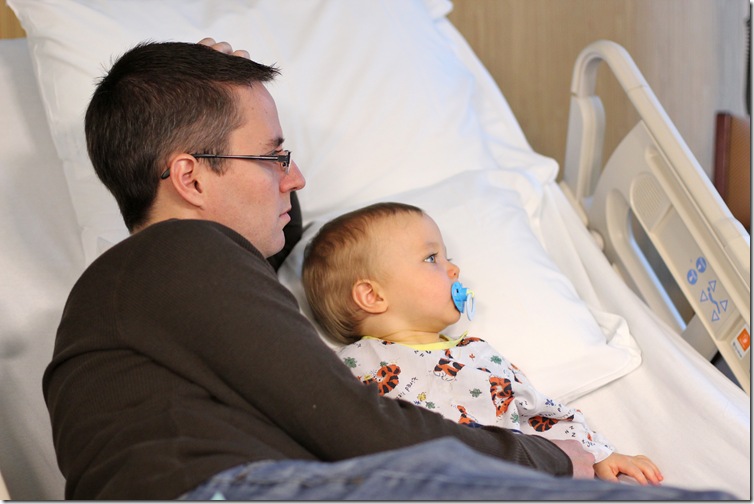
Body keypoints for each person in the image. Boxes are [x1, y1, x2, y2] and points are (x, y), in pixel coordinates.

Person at [42, 38, 733, 500]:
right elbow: (356, 426)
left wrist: (221, 94)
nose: (295, 178)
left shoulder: (161, 284)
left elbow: (280, 240)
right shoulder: (180, 257)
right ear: (190, 178)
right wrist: (557, 459)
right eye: (275, 157)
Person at [302, 201, 664, 486]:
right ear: (372, 296)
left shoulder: (477, 355)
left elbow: (539, 413)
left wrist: (599, 454)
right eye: (431, 258)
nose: (454, 269)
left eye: (448, 257)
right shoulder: (349, 364)